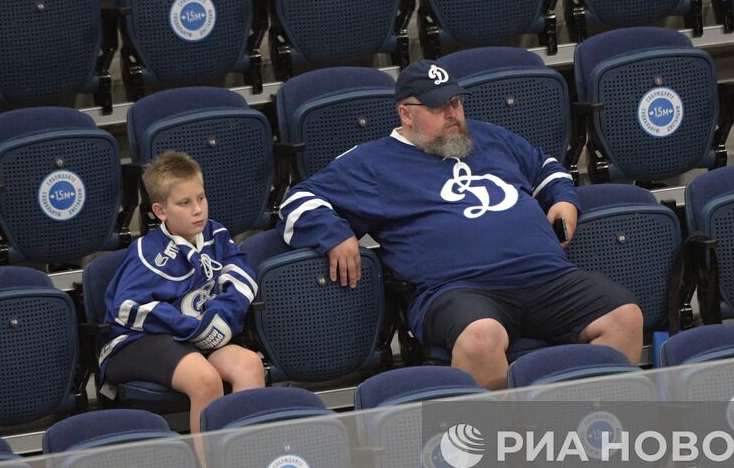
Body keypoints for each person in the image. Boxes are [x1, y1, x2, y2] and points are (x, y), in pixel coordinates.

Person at [278, 60, 643, 389]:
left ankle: (593, 435)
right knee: (480, 340)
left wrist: (564, 198)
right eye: (439, 107)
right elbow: (295, 202)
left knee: (624, 317)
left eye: (456, 102)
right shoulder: (372, 163)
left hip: (546, 275)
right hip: (458, 291)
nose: (453, 114)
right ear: (406, 114)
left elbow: (546, 167)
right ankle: (506, 454)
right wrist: (334, 234)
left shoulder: (488, 136)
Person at [100, 151, 265, 432]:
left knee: (250, 364)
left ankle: (245, 460)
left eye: (201, 198)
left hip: (195, 337)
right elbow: (127, 308)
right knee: (205, 379)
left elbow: (242, 276)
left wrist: (222, 316)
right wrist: (192, 327)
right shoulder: (146, 252)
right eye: (184, 203)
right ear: (160, 211)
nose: (198, 210)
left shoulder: (216, 234)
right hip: (137, 342)